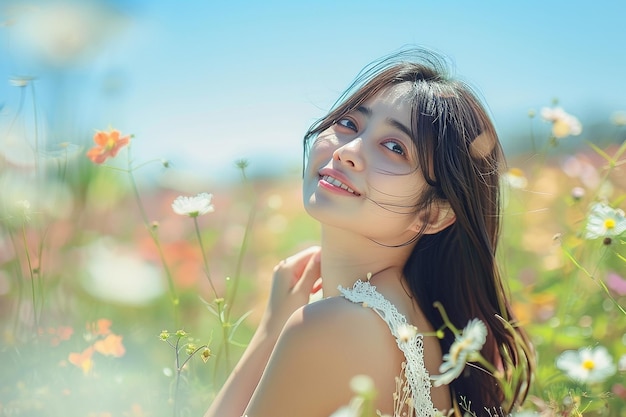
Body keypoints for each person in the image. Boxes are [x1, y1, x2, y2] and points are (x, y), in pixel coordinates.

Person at [205, 48, 534, 417]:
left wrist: (270, 332)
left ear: (434, 214)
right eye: (348, 123)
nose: (348, 151)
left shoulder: (334, 325)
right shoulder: (413, 320)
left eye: (395, 147)